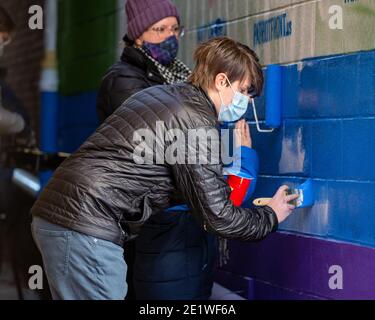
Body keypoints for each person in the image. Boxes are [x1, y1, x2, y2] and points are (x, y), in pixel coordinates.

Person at [30, 37, 298, 300]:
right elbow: (218, 216)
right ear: (221, 81)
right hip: (86, 224)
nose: (246, 102)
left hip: (64, 215)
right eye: (244, 91)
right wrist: (270, 215)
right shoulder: (195, 121)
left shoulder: (166, 96)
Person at [97, 0, 216, 300]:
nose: (169, 36)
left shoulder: (175, 75)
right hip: (141, 217)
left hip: (166, 215)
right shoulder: (123, 80)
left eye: (174, 28)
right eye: (159, 29)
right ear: (138, 35)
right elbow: (160, 140)